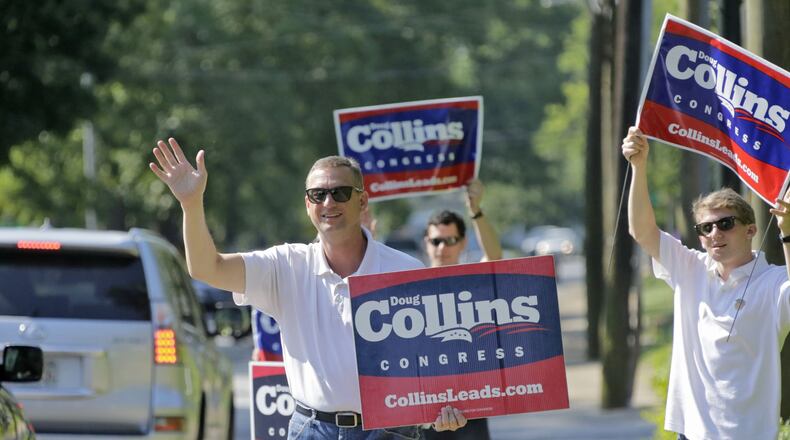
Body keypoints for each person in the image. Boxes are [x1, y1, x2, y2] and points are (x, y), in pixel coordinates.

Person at [149, 138, 467, 439]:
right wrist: (191, 205)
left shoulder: (407, 271)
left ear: (362, 200)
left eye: (340, 193)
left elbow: (438, 361)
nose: (329, 202)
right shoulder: (286, 265)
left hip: (393, 430)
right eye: (318, 194)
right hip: (313, 429)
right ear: (308, 203)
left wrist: (448, 404)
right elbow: (207, 268)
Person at [622, 126, 790, 439]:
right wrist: (638, 166)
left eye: (725, 224)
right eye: (705, 228)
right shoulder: (691, 268)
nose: (715, 234)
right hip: (693, 432)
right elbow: (642, 231)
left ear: (750, 230)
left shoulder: (774, 282)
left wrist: (787, 233)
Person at [422, 179, 501, 440]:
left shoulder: (472, 282)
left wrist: (475, 210)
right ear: (426, 243)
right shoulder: (408, 289)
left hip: (471, 401)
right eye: (436, 241)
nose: (442, 248)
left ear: (463, 243)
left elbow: (495, 258)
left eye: (450, 240)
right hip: (426, 406)